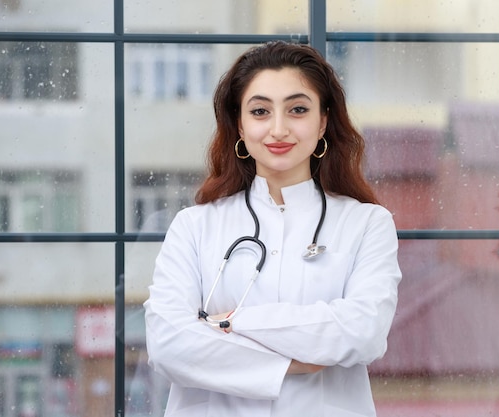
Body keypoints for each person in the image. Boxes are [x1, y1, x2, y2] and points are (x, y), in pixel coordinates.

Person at [144, 40, 402, 417]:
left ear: (324, 121)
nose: (278, 129)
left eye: (298, 109)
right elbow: (168, 345)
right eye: (260, 111)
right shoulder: (194, 226)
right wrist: (296, 362)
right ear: (240, 125)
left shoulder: (367, 224)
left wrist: (230, 323)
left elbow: (362, 332)